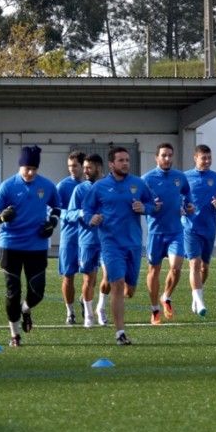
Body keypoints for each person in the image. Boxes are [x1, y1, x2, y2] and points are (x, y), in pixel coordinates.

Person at [0, 146, 61, 347]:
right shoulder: (7, 187)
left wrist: (52, 222)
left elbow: (57, 206)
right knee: (13, 291)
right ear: (20, 166)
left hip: (36, 245)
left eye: (34, 169)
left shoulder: (46, 186)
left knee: (37, 292)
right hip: (10, 245)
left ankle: (26, 310)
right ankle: (14, 335)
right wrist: (1, 217)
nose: (30, 172)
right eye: (27, 168)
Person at [82, 147, 156, 345]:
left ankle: (109, 303)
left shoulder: (138, 184)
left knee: (129, 290)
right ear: (111, 164)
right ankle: (120, 332)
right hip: (111, 244)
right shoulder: (99, 187)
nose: (125, 163)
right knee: (117, 284)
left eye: (127, 160)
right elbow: (87, 210)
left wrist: (145, 208)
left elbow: (153, 205)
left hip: (133, 244)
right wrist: (92, 218)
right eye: (121, 160)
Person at [143, 143, 193, 325]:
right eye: (164, 155)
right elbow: (139, 204)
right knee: (154, 271)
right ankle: (155, 309)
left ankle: (166, 297)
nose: (167, 159)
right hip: (156, 233)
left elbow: (188, 194)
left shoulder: (180, 177)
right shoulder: (146, 179)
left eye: (170, 155)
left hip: (175, 232)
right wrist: (150, 208)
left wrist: (189, 205)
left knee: (176, 266)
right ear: (156, 158)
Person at [182, 144, 216, 317]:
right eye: (204, 158)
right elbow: (177, 198)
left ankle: (195, 295)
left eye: (209, 158)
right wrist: (182, 207)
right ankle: (200, 302)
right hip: (190, 227)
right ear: (195, 158)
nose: (207, 161)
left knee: (204, 268)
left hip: (209, 228)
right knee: (194, 264)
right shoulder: (185, 177)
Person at [65, 154, 105, 328]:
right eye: (85, 167)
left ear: (98, 168)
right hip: (87, 240)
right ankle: (88, 315)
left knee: (110, 277)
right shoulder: (80, 189)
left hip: (108, 240)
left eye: (89, 167)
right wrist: (82, 214)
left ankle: (101, 307)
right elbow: (69, 214)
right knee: (89, 279)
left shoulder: (109, 186)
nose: (85, 171)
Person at [56, 150, 87, 325]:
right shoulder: (62, 186)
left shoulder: (91, 185)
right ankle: (70, 312)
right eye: (69, 166)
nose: (71, 169)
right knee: (68, 275)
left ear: (83, 166)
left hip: (88, 236)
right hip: (69, 236)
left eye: (74, 166)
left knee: (89, 274)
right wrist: (76, 214)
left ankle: (85, 299)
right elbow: (56, 210)